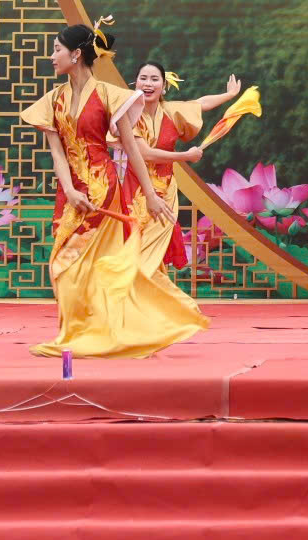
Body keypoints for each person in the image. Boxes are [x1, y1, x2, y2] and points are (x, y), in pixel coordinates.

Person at [18, 24, 208, 359]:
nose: (52, 56)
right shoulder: (53, 99)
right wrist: (69, 190)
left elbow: (133, 150)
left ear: (76, 54)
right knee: (62, 265)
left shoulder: (109, 95)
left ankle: (100, 333)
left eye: (57, 49)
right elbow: (57, 154)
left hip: (103, 189)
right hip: (71, 193)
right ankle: (77, 333)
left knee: (100, 264)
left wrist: (150, 194)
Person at [120, 59, 243, 273]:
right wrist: (185, 156)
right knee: (137, 246)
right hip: (137, 191)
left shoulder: (171, 111)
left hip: (166, 191)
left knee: (155, 250)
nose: (148, 83)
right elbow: (145, 153)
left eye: (154, 79)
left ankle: (150, 287)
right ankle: (137, 287)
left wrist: (229, 95)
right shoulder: (129, 115)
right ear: (135, 83)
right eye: (143, 78)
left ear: (164, 87)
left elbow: (201, 103)